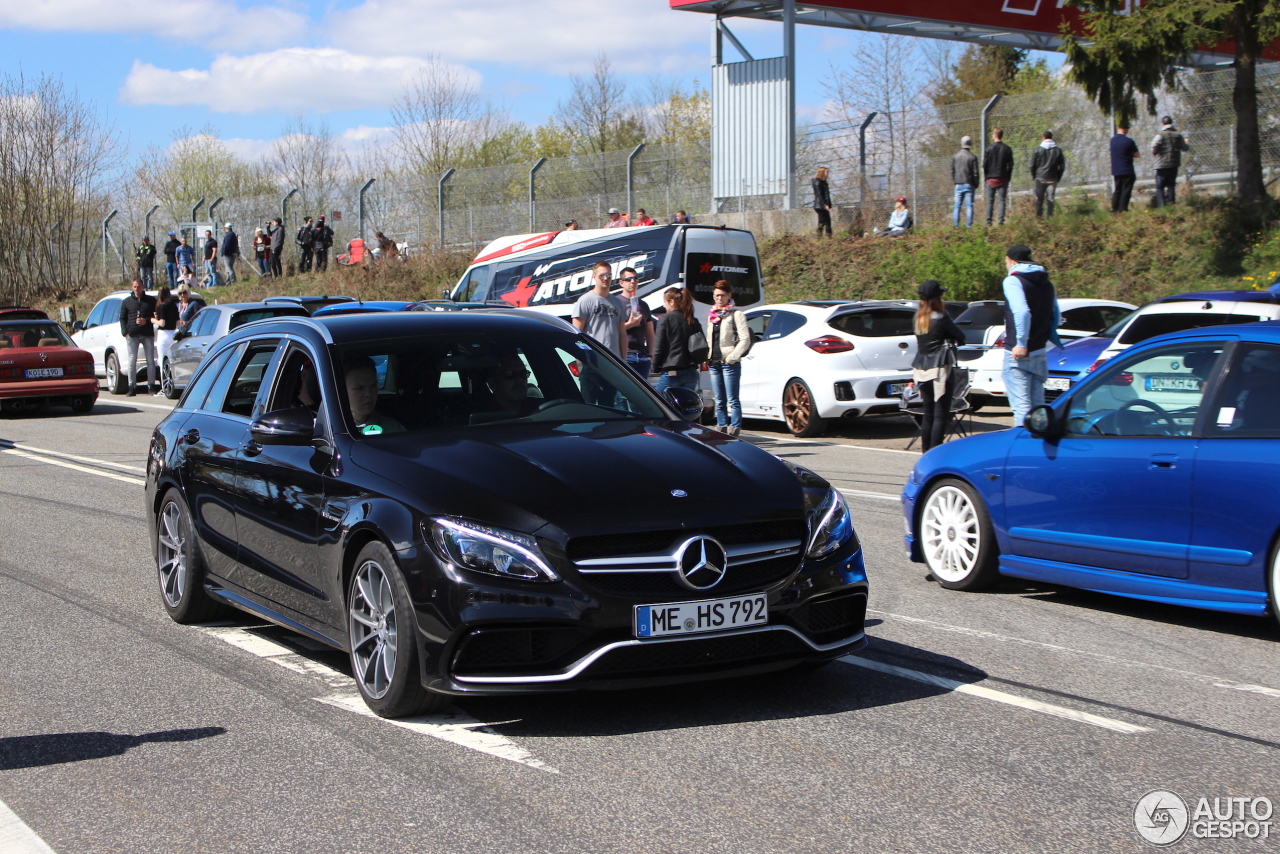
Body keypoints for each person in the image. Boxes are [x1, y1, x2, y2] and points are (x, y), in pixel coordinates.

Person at [1001, 245, 1063, 428]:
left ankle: (1023, 449)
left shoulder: (1013, 281)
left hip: (1019, 353)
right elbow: (1056, 315)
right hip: (1040, 351)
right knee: (1038, 408)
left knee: (1021, 408)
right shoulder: (1046, 283)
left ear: (1012, 261)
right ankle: (1038, 445)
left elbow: (1022, 312)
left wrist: (1021, 343)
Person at [911, 280, 966, 452]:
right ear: (937, 298)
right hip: (940, 367)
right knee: (940, 414)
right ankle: (936, 452)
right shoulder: (941, 316)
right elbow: (961, 337)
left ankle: (925, 452)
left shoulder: (917, 317)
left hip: (921, 367)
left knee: (927, 413)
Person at [706, 280, 751, 435]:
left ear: (729, 295)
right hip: (714, 362)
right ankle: (721, 427)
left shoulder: (736, 314)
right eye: (716, 295)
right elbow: (709, 338)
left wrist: (732, 357)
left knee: (732, 399)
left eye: (722, 295)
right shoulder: (712, 315)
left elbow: (745, 339)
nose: (719, 299)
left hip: (729, 362)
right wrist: (707, 356)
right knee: (719, 400)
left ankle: (735, 428)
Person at [571, 261, 627, 359]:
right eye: (602, 275)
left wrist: (624, 359)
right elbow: (576, 334)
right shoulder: (585, 300)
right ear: (594, 276)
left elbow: (622, 334)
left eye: (608, 275)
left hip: (614, 360)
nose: (605, 278)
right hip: (592, 358)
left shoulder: (618, 303)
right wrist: (582, 357)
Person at [651, 287, 699, 394]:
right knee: (684, 408)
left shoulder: (665, 319)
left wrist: (655, 367)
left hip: (672, 372)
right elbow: (701, 344)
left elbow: (658, 347)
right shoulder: (692, 320)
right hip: (691, 371)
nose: (664, 306)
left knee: (657, 404)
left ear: (671, 302)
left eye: (665, 302)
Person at [343, 356, 404, 434]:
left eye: (373, 386)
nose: (368, 394)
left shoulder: (394, 429)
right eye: (359, 388)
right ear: (342, 390)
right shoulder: (327, 433)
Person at [118, 279, 157, 397]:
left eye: (139, 287)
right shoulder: (127, 302)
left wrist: (146, 320)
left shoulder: (150, 301)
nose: (136, 289)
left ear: (143, 287)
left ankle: (151, 385)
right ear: (132, 287)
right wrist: (125, 332)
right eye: (134, 287)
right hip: (132, 335)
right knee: (132, 360)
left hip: (147, 334)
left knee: (150, 360)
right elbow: (122, 318)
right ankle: (132, 386)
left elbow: (155, 315)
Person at [618, 266, 654, 380]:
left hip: (642, 356)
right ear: (621, 282)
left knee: (641, 395)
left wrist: (650, 355)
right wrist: (630, 324)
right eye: (629, 279)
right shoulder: (616, 302)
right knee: (623, 395)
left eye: (635, 279)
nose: (633, 281)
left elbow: (650, 334)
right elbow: (611, 329)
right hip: (625, 355)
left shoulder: (643, 304)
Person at [1151, 115, 1190, 207]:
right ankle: (1171, 203)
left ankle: (1161, 206)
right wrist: (1187, 143)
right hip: (1173, 164)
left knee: (1160, 186)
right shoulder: (1178, 135)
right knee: (1171, 185)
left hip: (1161, 164)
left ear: (1162, 124)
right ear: (1171, 123)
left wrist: (1155, 153)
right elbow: (1184, 148)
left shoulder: (1160, 135)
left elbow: (1153, 146)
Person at [1030, 131, 1066, 218]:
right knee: (1050, 199)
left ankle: (1039, 218)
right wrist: (1058, 177)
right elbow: (1062, 166)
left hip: (1040, 176)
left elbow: (1032, 165)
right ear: (1051, 138)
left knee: (1039, 198)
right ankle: (1050, 217)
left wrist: (1034, 176)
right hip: (1052, 177)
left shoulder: (1038, 150)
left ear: (1043, 137)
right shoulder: (1058, 150)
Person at [983, 127, 1014, 226]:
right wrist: (1008, 176)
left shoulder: (989, 148)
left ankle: (989, 221)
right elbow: (1011, 164)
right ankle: (1000, 221)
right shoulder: (1007, 149)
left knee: (990, 201)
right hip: (1003, 177)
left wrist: (986, 176)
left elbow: (985, 164)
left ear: (995, 135)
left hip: (991, 178)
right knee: (1002, 200)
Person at [154, 286, 180, 392]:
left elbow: (162, 323)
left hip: (164, 334)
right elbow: (178, 322)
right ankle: (173, 382)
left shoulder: (161, 306)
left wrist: (153, 320)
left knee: (162, 360)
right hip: (173, 333)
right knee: (172, 359)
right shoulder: (173, 306)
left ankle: (164, 386)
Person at [1110, 125, 1140, 213]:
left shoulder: (1113, 140)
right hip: (1127, 169)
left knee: (1118, 189)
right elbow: (1137, 154)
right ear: (1126, 129)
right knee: (1126, 190)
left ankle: (1115, 208)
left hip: (1116, 170)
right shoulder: (1129, 141)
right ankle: (1123, 209)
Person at [952, 136, 978, 228]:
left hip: (958, 183)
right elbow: (975, 173)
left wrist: (955, 181)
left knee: (957, 205)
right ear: (970, 144)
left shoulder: (955, 156)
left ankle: (955, 225)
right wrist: (976, 183)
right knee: (969, 205)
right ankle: (969, 225)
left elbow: (952, 170)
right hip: (969, 183)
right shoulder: (972, 157)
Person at [812, 166, 832, 237]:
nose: (828, 173)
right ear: (822, 173)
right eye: (827, 172)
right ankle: (829, 237)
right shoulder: (818, 182)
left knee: (821, 222)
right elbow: (820, 194)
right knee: (827, 222)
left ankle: (819, 237)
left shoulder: (823, 182)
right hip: (820, 205)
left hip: (820, 205)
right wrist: (825, 204)